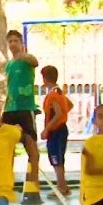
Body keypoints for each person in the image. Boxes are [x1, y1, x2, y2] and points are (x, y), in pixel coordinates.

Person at [40, 65, 73, 196]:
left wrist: (47, 128)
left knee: (55, 159)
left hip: (56, 131)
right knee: (60, 158)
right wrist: (63, 116)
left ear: (44, 79)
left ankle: (61, 188)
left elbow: (58, 113)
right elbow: (69, 105)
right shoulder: (59, 92)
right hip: (62, 129)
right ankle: (63, 185)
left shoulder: (52, 95)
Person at [1, 30, 39, 141]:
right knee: (6, 139)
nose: (13, 43)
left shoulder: (27, 59)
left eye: (16, 41)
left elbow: (35, 62)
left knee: (30, 139)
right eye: (10, 41)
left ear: (21, 43)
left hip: (25, 107)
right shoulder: (9, 64)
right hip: (10, 108)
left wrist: (23, 55)